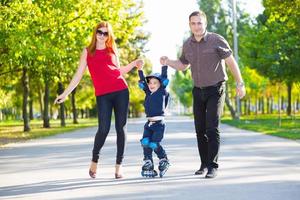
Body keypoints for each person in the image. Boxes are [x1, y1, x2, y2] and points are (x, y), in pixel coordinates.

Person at [160, 10, 246, 178]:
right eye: (193, 23)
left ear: (205, 24)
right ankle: (204, 164)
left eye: (199, 23)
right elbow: (183, 65)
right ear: (190, 25)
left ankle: (213, 166)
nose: (197, 26)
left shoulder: (216, 40)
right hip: (198, 90)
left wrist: (240, 83)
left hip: (216, 88)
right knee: (200, 130)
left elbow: (230, 61)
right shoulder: (187, 44)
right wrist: (168, 61)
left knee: (211, 128)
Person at [54, 21, 142, 179]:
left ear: (109, 36)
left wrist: (134, 64)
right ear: (95, 33)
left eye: (105, 33)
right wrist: (66, 93)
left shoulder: (111, 49)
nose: (102, 35)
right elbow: (78, 75)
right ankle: (94, 160)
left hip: (121, 90)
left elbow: (119, 70)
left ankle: (118, 166)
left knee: (121, 129)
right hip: (102, 95)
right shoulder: (87, 51)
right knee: (103, 129)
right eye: (99, 32)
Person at [136, 60, 170, 178]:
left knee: (154, 144)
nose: (151, 84)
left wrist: (164, 66)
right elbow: (142, 83)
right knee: (145, 142)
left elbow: (164, 78)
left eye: (155, 82)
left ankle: (163, 159)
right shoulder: (147, 92)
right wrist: (140, 69)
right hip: (149, 123)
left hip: (159, 124)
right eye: (150, 82)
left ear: (160, 84)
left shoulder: (161, 92)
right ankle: (148, 162)